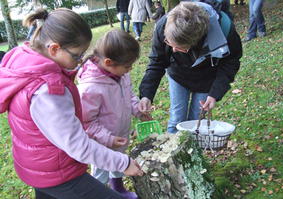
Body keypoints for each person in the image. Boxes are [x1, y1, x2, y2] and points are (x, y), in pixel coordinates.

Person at [0, 8, 143, 199]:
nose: (79, 62)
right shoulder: (47, 91)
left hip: (35, 166)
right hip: (56, 172)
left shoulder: (26, 60)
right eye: (76, 55)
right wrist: (123, 163)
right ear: (54, 49)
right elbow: (78, 145)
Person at [138, 2, 242, 133]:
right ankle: (172, 151)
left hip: (206, 78)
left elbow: (231, 62)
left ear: (196, 42)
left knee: (196, 122)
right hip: (178, 74)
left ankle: (192, 151)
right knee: (176, 119)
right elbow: (157, 62)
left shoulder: (224, 30)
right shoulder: (162, 26)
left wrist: (215, 93)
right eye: (169, 43)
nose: (174, 50)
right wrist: (146, 95)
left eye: (181, 48)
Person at [77, 29, 151, 199]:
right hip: (101, 144)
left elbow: (129, 95)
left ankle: (118, 188)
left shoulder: (121, 75)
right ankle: (101, 193)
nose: (130, 69)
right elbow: (86, 122)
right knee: (101, 171)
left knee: (120, 162)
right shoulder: (90, 88)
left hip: (120, 134)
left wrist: (137, 109)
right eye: (127, 66)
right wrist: (108, 138)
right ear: (109, 62)